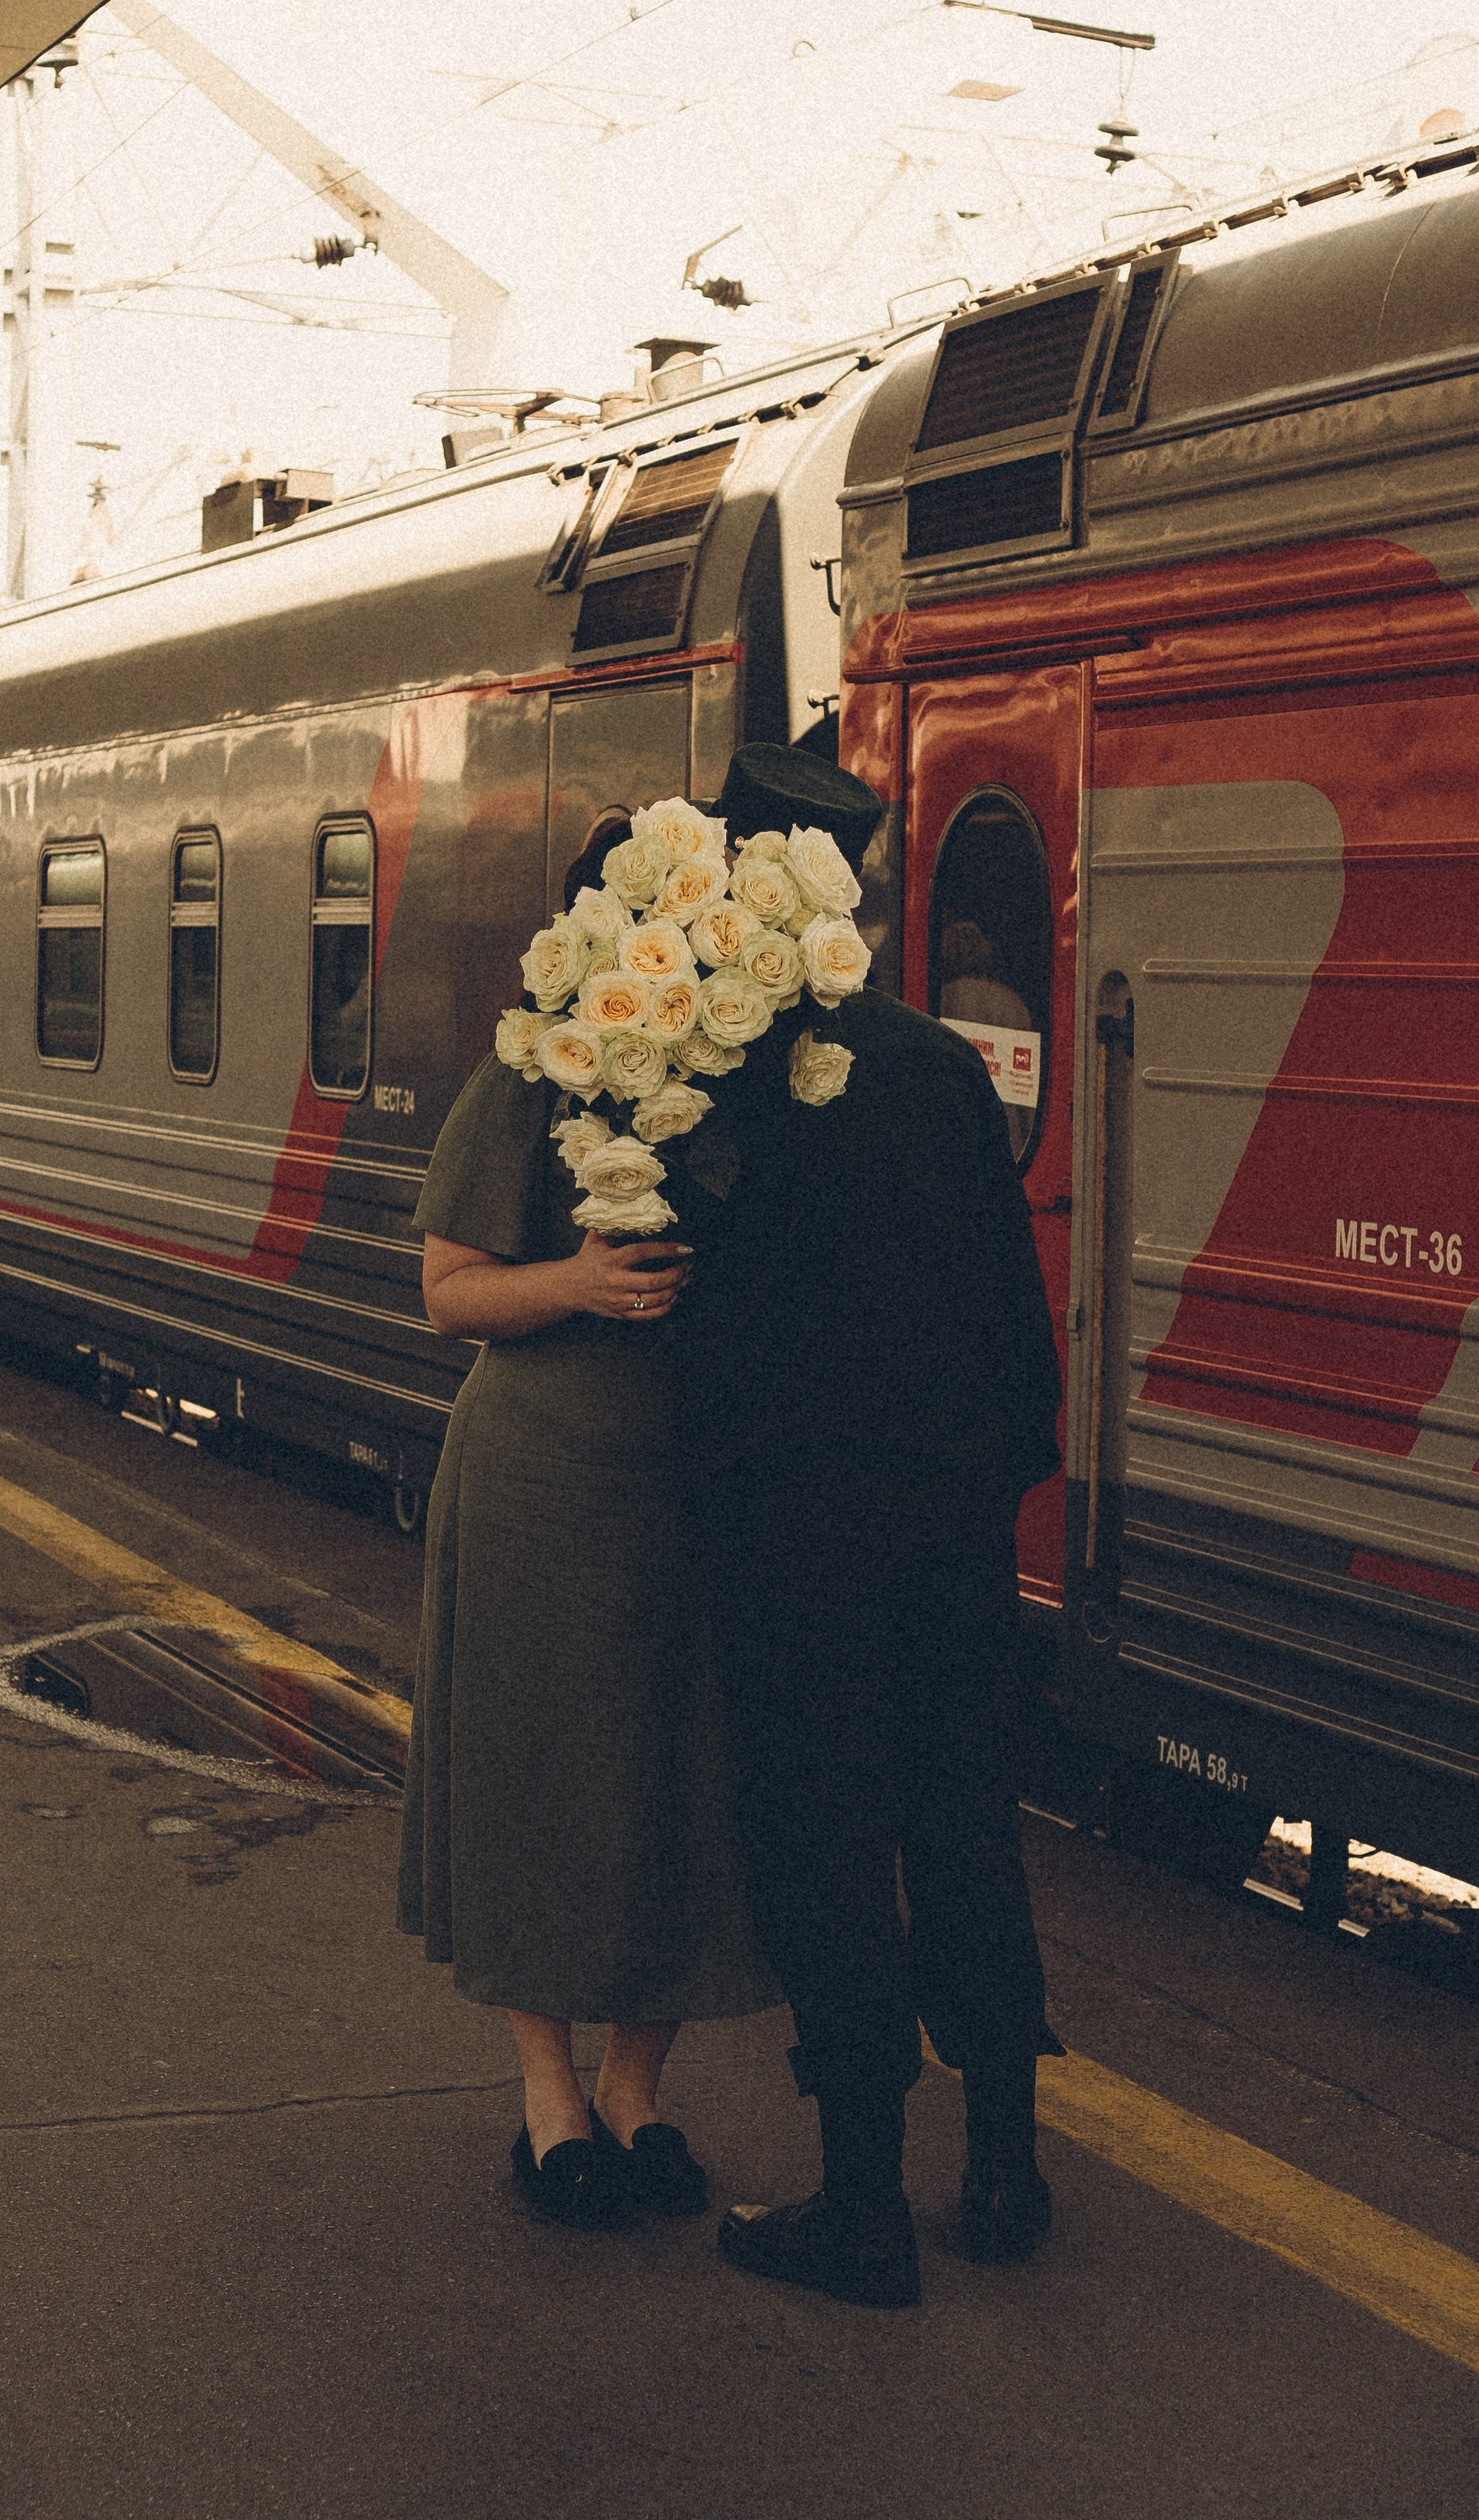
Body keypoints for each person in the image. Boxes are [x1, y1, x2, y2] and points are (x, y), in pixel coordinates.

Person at [681, 743, 1066, 2308]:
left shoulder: (720, 1075)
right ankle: (1004, 2169)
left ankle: (861, 2210)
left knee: (825, 1842)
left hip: (799, 1535)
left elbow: (684, 1307)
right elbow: (1008, 1315)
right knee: (964, 1824)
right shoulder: (938, 1069)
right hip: (952, 1526)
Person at [397, 953, 779, 2231]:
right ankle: (549, 2098)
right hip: (538, 1493)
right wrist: (576, 1284)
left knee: (675, 1780)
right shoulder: (524, 1081)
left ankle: (636, 2091)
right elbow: (449, 1292)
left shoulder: (749, 1081)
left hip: (698, 1490)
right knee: (539, 1780)